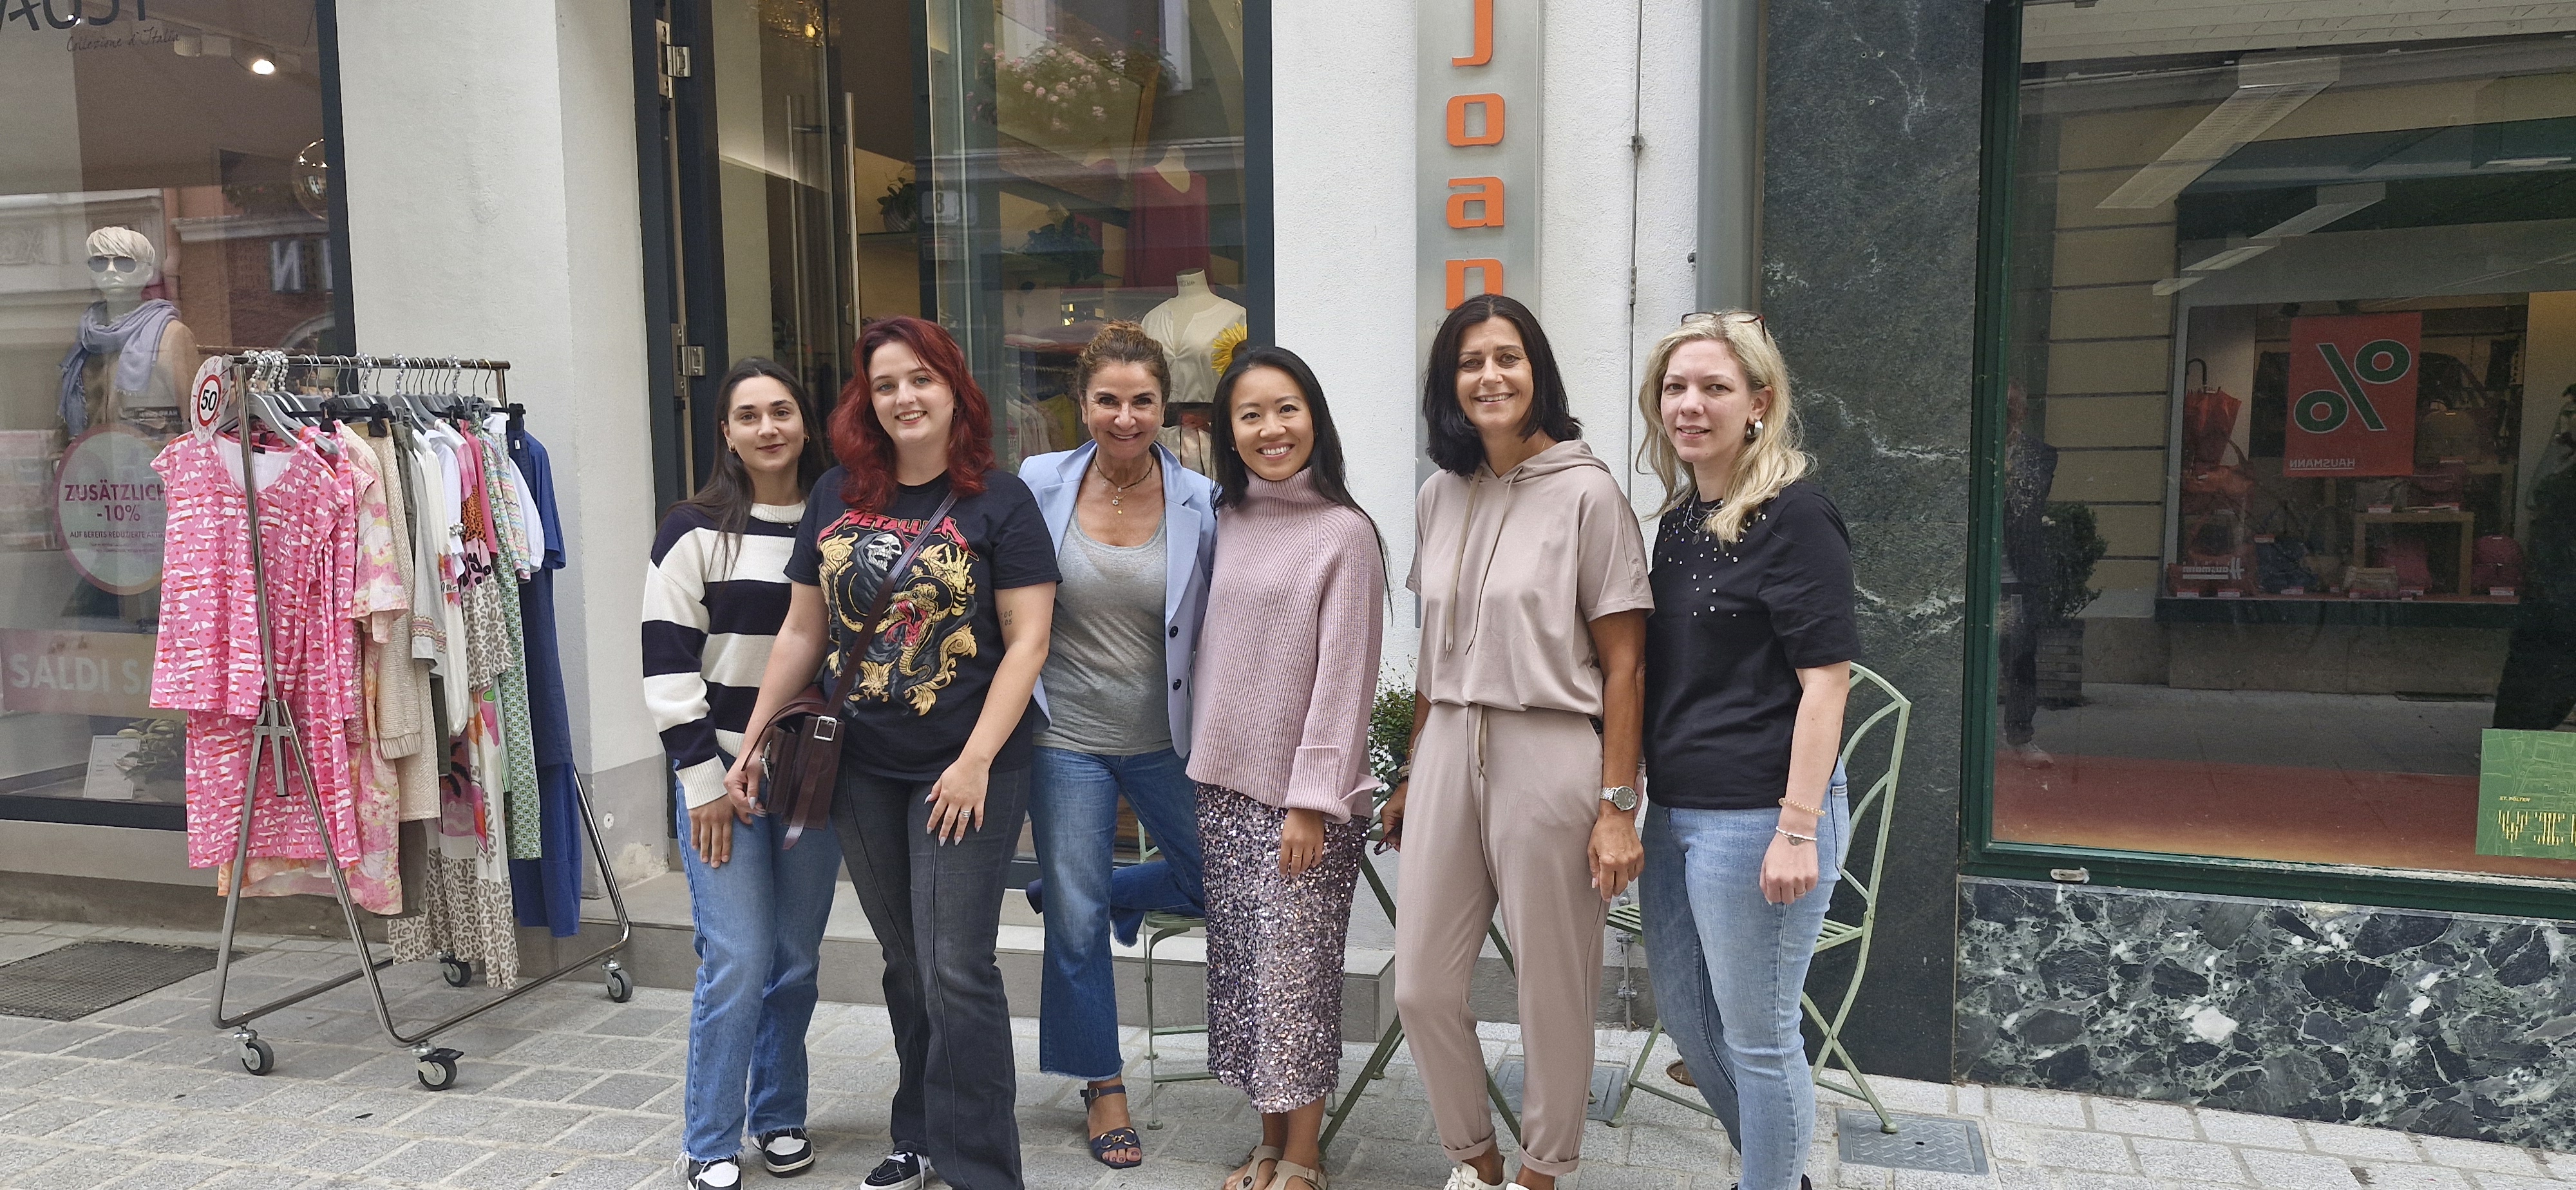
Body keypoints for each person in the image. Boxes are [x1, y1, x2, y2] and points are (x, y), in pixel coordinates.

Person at [726, 317, 1059, 1190]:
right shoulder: (836, 494)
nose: (904, 397)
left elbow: (1028, 643)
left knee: (957, 967)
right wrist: (754, 741)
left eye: (920, 379)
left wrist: (976, 761)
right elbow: (804, 631)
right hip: (861, 768)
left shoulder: (1001, 502)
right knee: (908, 963)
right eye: (885, 385)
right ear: (866, 400)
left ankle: (983, 1169)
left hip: (969, 766)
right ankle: (920, 1134)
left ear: (954, 390)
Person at [1385, 294, 1652, 1190]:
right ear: (1448, 384)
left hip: (1550, 749)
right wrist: (1412, 771)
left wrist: (1618, 807)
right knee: (1421, 986)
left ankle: (1543, 1171)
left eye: (1507, 357)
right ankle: (1477, 1161)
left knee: (1552, 989)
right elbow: (1435, 653)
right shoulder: (1439, 495)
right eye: (1470, 363)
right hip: (1448, 747)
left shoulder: (1589, 494)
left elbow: (1626, 666)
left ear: (1537, 371)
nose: (1490, 376)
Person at [1633, 312, 1858, 1190]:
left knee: (1761, 1039)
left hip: (1762, 814)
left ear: (1760, 403)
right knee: (1693, 1028)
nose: (1689, 405)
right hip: (1676, 810)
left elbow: (1827, 683)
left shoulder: (1796, 515)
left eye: (1714, 388)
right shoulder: (1682, 519)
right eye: (1675, 388)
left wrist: (1798, 828)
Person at [1015, 322, 1220, 1169]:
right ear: (1082, 403)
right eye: (1108, 400)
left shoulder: (1203, 498)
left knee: (1224, 879)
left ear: (1165, 405)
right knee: (1075, 929)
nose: (1125, 418)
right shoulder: (1038, 483)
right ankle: (1103, 1087)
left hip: (1168, 737)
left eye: (1142, 401)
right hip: (1065, 736)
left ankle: (1098, 892)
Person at [1190, 346, 1387, 1190]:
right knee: (1249, 979)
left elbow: (1346, 678)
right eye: (1251, 415)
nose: (1271, 429)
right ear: (1229, 432)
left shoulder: (1345, 533)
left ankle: (1305, 1156)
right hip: (1223, 788)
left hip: (1302, 803)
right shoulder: (1224, 520)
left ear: (1315, 419)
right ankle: (1268, 1145)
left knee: (1295, 982)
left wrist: (1310, 799)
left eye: (1286, 409)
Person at [643, 359, 835, 1190]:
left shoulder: (835, 518)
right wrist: (702, 784)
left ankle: (780, 1115)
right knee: (738, 958)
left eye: (781, 411)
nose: (768, 428)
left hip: (813, 776)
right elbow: (666, 664)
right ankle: (711, 1139)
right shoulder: (692, 530)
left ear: (805, 421)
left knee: (795, 958)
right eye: (749, 415)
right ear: (725, 432)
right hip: (719, 773)